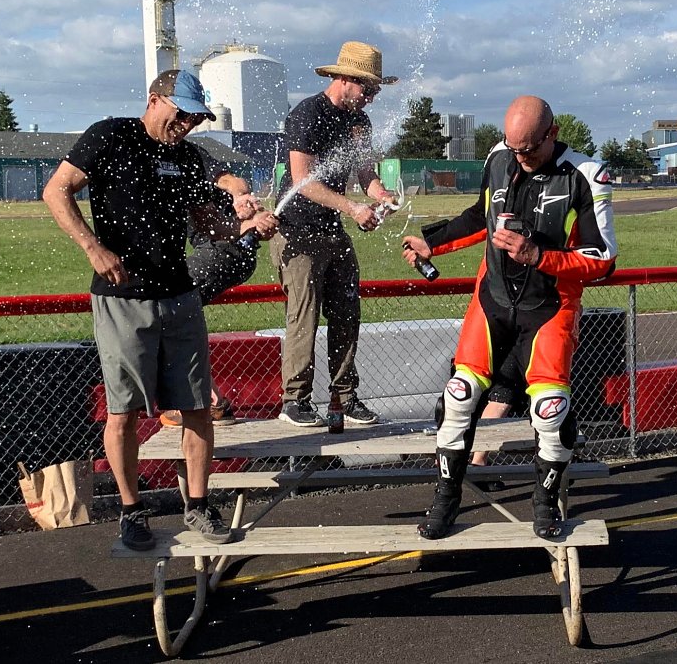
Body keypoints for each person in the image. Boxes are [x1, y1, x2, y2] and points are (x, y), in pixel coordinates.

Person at [402, 95, 617, 540]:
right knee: (459, 397)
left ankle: (546, 505)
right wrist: (432, 242)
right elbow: (481, 217)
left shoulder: (587, 176)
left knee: (550, 412)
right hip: (492, 302)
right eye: (513, 147)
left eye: (529, 150)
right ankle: (446, 501)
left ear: (552, 134)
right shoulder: (499, 158)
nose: (521, 158)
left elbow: (603, 259)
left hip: (549, 309)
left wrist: (539, 255)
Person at [43, 69, 237, 551]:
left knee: (197, 408)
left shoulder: (190, 157)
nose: (188, 124)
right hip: (122, 300)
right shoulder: (110, 135)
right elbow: (56, 190)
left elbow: (210, 228)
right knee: (125, 412)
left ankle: (197, 504)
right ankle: (132, 511)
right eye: (182, 113)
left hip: (180, 295)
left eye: (196, 118)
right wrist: (92, 247)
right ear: (155, 100)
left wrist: (248, 224)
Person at [271, 40, 399, 427]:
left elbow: (364, 172)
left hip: (330, 229)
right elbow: (302, 181)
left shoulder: (359, 121)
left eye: (376, 91)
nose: (372, 98)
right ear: (344, 79)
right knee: (305, 315)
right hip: (296, 231)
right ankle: (295, 400)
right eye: (368, 89)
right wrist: (353, 208)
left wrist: (380, 194)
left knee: (347, 311)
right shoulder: (307, 114)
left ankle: (344, 398)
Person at [162, 148, 278, 427]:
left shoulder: (185, 153)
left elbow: (230, 180)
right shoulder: (171, 154)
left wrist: (241, 198)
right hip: (234, 253)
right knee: (180, 316)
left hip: (222, 250)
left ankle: (206, 402)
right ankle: (214, 402)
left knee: (168, 313)